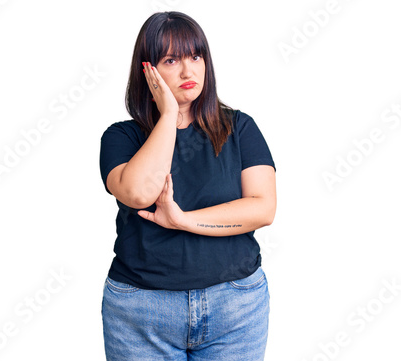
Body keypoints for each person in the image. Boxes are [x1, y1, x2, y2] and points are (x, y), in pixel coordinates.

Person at [99, 11, 277, 361]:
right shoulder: (122, 137)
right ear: (148, 71)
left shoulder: (239, 128)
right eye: (171, 60)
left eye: (196, 56)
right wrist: (168, 115)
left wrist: (182, 220)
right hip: (141, 310)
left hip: (236, 306)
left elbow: (262, 208)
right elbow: (139, 193)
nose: (188, 71)